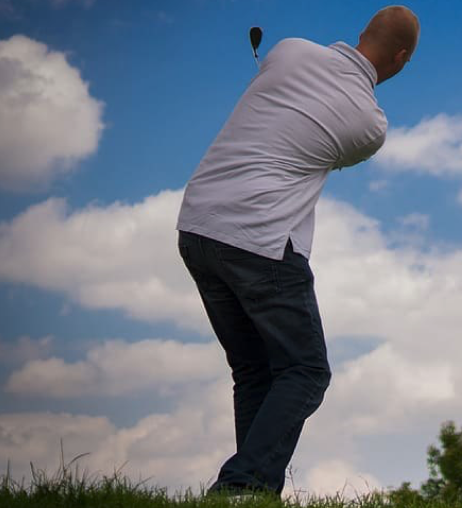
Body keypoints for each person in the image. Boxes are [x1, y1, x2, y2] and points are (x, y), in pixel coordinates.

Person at [175, 6, 419, 497]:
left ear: (361, 34)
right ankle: (240, 484)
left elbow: (279, 81)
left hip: (197, 227)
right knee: (306, 371)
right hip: (260, 240)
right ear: (401, 57)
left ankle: (253, 494)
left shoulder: (287, 50)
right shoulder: (369, 125)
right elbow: (331, 146)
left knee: (254, 369)